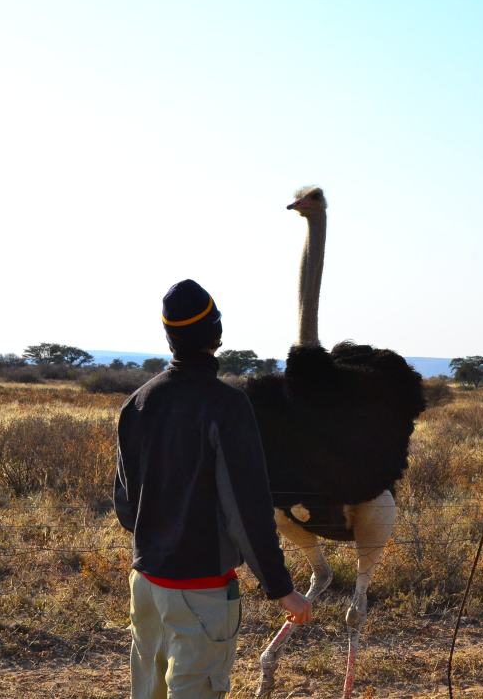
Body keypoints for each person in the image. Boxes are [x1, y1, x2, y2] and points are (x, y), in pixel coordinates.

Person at [114, 279, 311, 699]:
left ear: (169, 336)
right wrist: (281, 588)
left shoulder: (138, 402)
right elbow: (247, 509)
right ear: (216, 334)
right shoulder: (227, 405)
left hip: (145, 585)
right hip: (201, 591)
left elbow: (127, 507)